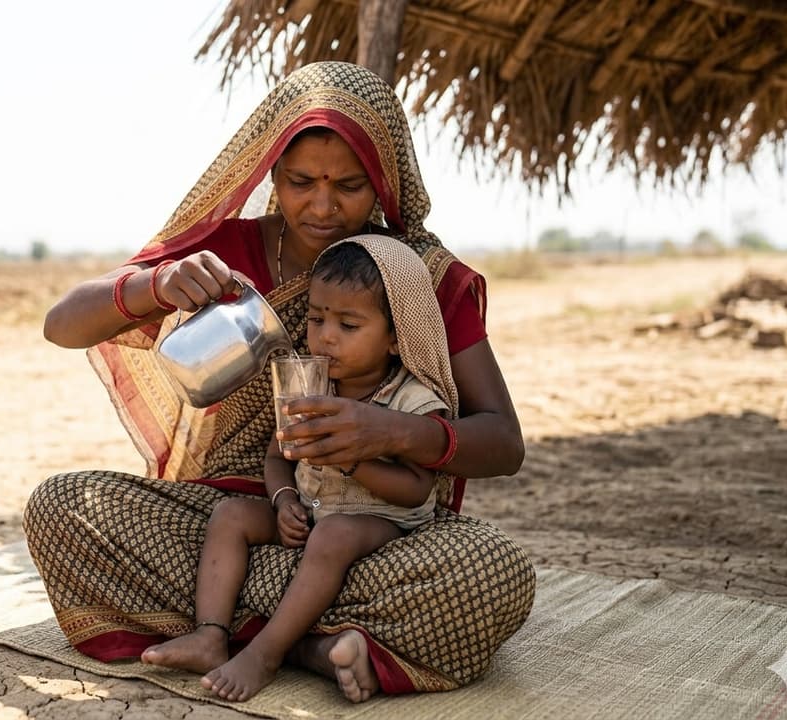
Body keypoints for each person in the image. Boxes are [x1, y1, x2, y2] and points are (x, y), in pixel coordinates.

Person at [28, 61, 535, 703]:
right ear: (269, 172)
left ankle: (251, 631)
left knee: (492, 573)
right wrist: (156, 284)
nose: (321, 207)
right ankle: (309, 641)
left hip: (371, 536)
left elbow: (503, 443)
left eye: (348, 185)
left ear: (383, 182)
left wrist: (389, 433)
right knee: (62, 506)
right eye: (299, 182)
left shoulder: (420, 277)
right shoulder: (228, 252)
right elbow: (62, 324)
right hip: (235, 521)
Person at [142, 236, 460, 702]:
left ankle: (264, 654)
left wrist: (352, 460)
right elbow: (278, 457)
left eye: (348, 325)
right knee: (231, 514)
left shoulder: (410, 400)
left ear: (396, 337)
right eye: (316, 319)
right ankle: (210, 634)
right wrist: (284, 500)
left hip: (382, 521)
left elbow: (416, 489)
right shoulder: (311, 385)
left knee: (334, 536)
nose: (326, 336)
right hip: (311, 512)